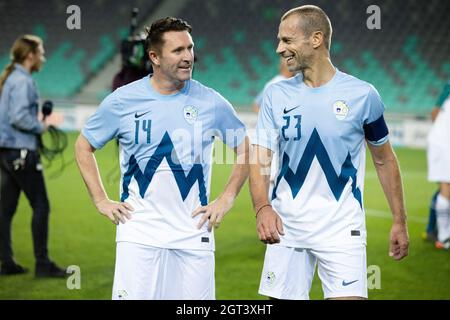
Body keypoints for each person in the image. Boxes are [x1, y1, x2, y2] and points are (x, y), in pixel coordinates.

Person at [75, 17, 249, 300]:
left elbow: (246, 148)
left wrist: (227, 197)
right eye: (178, 50)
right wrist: (100, 199)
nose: (188, 57)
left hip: (195, 234)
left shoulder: (211, 102)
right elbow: (83, 146)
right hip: (138, 233)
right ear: (154, 56)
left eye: (190, 48)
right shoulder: (123, 100)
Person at [249, 5, 409, 300]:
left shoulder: (363, 95)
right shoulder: (275, 94)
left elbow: (384, 159)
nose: (278, 49)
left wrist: (399, 220)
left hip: (342, 228)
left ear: (316, 39)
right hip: (287, 228)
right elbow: (259, 158)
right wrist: (262, 207)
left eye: (286, 40)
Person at [0, 35, 66, 277]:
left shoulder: (10, 79)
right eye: (41, 53)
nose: (44, 59)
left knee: (5, 210)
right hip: (22, 153)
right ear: (30, 56)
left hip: (6, 153)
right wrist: (42, 126)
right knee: (41, 205)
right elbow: (18, 116)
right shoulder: (23, 81)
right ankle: (43, 264)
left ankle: (6, 262)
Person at [426, 80, 450, 249]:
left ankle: (434, 231)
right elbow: (435, 112)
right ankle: (443, 237)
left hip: (440, 140)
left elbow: (435, 112)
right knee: (446, 186)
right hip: (444, 141)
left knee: (444, 187)